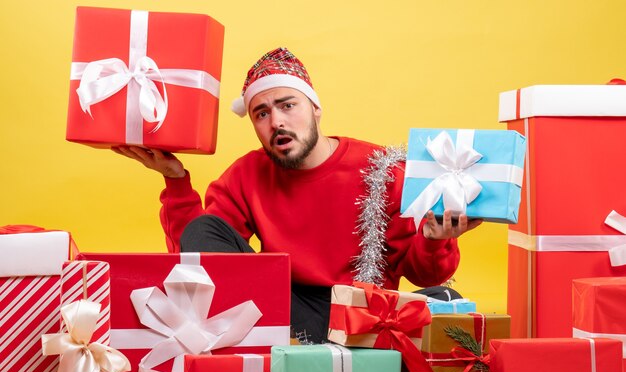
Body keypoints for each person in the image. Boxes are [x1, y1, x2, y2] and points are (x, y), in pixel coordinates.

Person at [113, 47, 482, 343]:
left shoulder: (381, 168)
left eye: (288, 105)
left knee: (436, 296)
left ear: (316, 108)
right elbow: (195, 259)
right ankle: (287, 346)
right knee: (207, 227)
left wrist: (435, 241)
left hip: (360, 314)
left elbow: (420, 273)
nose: (276, 122)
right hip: (278, 304)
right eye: (262, 113)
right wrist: (176, 181)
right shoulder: (248, 173)